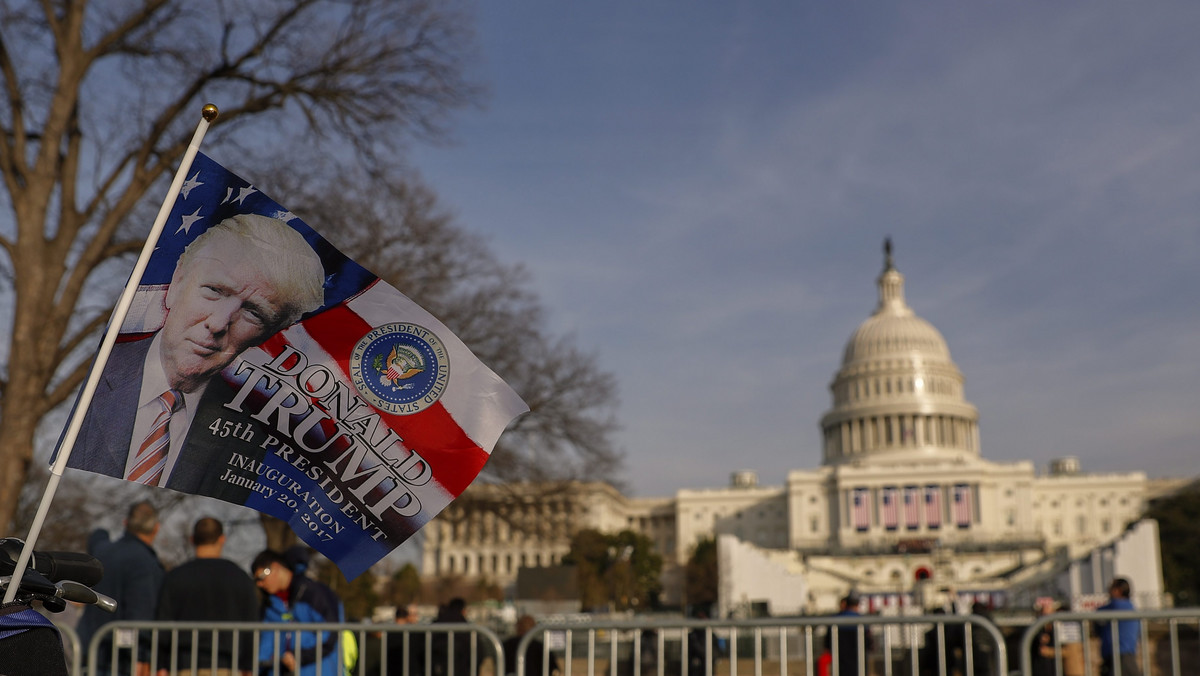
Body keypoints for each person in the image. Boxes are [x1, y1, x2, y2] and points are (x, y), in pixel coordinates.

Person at [68, 214, 325, 490]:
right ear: (177, 281)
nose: (217, 323)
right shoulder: (88, 376)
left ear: (270, 334)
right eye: (214, 290)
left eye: (253, 312)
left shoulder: (250, 441)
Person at [154, 517, 260, 676]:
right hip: (228, 665)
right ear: (222, 539)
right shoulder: (240, 577)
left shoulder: (175, 577)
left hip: (183, 664)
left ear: (192, 540)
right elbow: (251, 625)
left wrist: (160, 664)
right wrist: (248, 665)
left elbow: (163, 622)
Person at [75, 501, 165, 676]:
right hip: (120, 659)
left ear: (125, 523)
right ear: (156, 528)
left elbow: (97, 537)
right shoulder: (146, 563)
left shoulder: (102, 551)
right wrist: (141, 657)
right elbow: (140, 613)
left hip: (89, 648)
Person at [252, 548, 345, 676]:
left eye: (261, 577)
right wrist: (258, 667)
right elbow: (266, 641)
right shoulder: (270, 604)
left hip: (318, 670)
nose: (260, 584)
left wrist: (298, 657)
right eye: (256, 581)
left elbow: (329, 635)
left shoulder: (314, 593)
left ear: (275, 567)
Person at [1095, 578, 1141, 676]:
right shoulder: (1131, 607)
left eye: (1111, 588)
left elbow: (1098, 614)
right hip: (1126, 655)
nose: (1109, 591)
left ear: (1118, 590)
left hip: (1119, 656)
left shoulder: (1116, 606)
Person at [823, 593, 872, 676]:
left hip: (840, 662)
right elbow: (868, 643)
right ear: (857, 605)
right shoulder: (863, 621)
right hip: (859, 662)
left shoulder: (834, 620)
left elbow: (827, 643)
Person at [1030, 599, 1059, 676]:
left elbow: (1068, 651)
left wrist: (1051, 651)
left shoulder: (1059, 628)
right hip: (1040, 669)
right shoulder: (1034, 629)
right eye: (1042, 610)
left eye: (1047, 608)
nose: (1044, 612)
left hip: (1055, 669)